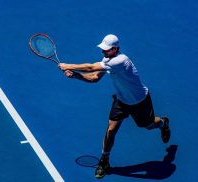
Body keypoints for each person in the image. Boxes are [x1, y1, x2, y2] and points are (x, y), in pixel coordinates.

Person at [58, 34, 170, 179]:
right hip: (122, 101)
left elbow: (91, 67)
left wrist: (68, 65)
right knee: (111, 130)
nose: (103, 51)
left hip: (140, 101)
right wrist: (76, 76)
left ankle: (163, 123)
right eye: (103, 48)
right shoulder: (108, 60)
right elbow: (94, 78)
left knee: (148, 125)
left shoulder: (120, 60)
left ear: (115, 49)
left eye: (106, 49)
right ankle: (104, 161)